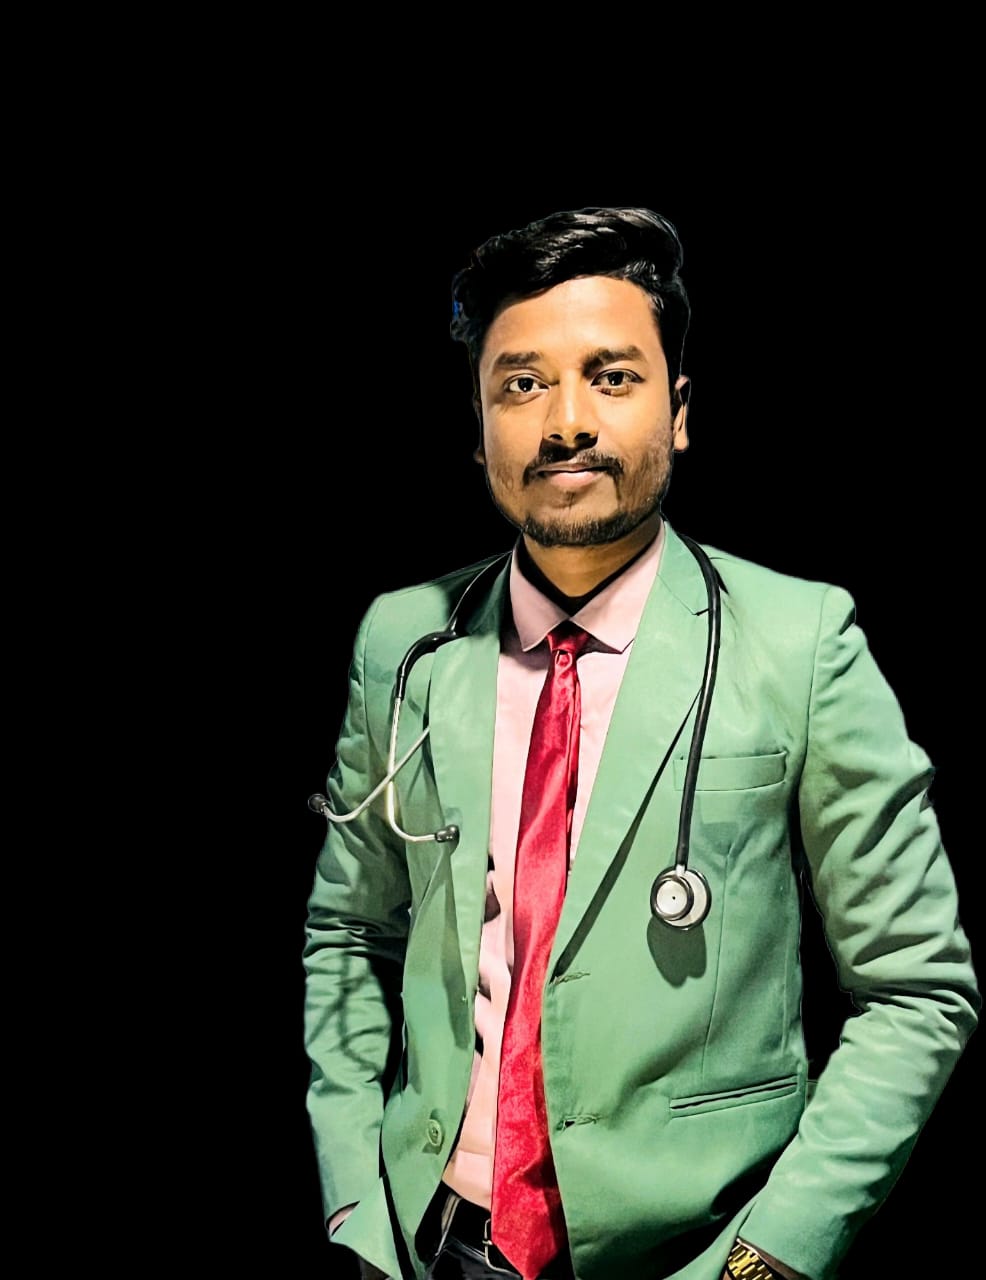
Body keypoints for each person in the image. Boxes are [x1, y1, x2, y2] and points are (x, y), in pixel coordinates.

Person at [302, 207, 979, 1280]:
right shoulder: (405, 643)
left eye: (610, 376)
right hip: (434, 1237)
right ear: (479, 427)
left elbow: (916, 987)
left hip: (689, 1251)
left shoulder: (800, 642)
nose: (565, 420)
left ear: (679, 411)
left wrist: (764, 1260)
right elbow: (346, 933)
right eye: (522, 384)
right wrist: (355, 1209)